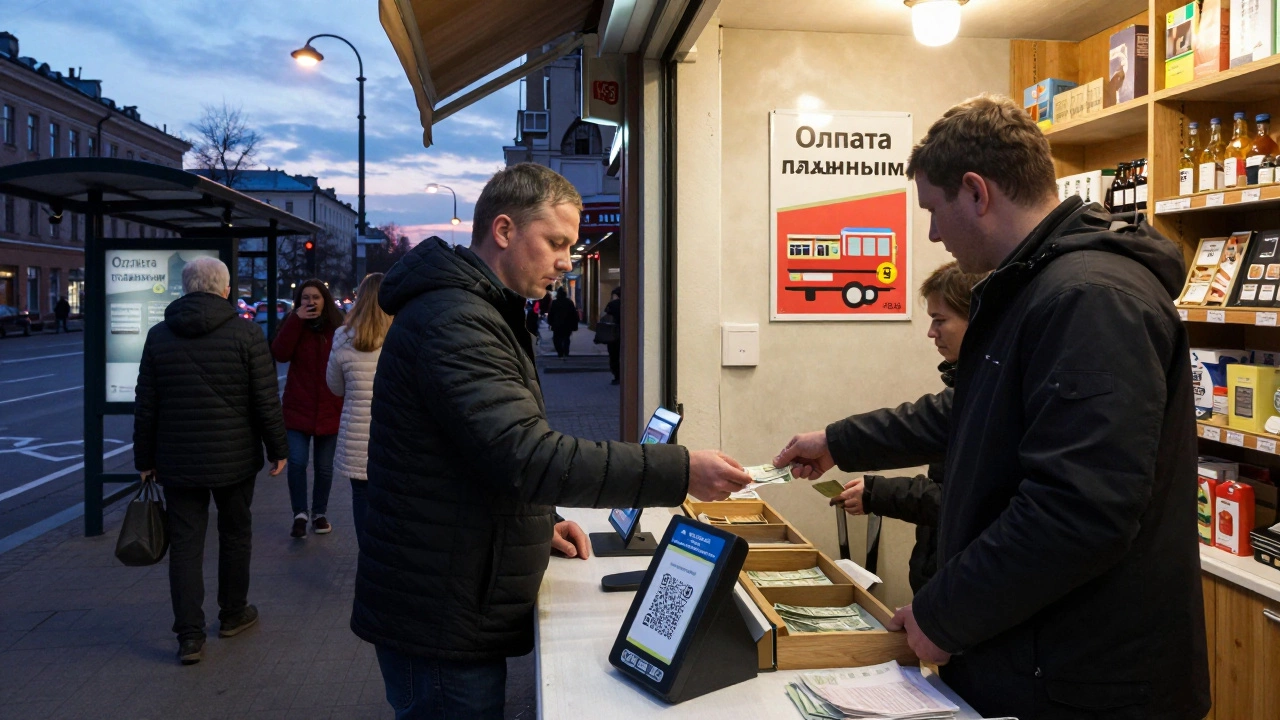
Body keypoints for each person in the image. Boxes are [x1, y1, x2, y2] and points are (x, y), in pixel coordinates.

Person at [774, 95, 1208, 719]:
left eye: (933, 210)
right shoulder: (1035, 286)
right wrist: (839, 440)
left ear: (976, 192)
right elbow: (965, 413)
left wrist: (944, 614)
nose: (932, 234)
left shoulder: (1088, 299)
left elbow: (1079, 508)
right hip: (1036, 659)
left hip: (1087, 682)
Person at [354, 163, 752, 719]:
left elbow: (480, 454)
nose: (568, 261)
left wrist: (536, 523)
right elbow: (527, 454)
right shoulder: (456, 320)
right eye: (557, 242)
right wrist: (679, 471)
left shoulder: (476, 309)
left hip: (447, 592)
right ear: (503, 231)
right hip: (440, 614)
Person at [133, 256, 288, 665]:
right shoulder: (247, 333)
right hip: (235, 458)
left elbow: (146, 403)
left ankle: (189, 636)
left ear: (185, 288)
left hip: (177, 460)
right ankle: (234, 613)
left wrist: (144, 457)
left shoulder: (159, 336)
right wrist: (278, 448)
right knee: (236, 533)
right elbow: (265, 401)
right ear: (225, 289)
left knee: (185, 545)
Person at [829, 261, 984, 593]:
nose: (931, 332)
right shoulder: (969, 386)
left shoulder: (985, 397)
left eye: (940, 320)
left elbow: (956, 501)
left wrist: (877, 492)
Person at [272, 279, 345, 538]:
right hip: (298, 408)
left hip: (329, 408)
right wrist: (296, 320)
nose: (310, 302)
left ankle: (319, 513)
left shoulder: (337, 328)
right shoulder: (294, 324)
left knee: (324, 468)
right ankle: (300, 514)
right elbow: (280, 353)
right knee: (297, 463)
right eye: (305, 297)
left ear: (324, 300)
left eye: (315, 297)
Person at [326, 272, 391, 551]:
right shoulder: (400, 331)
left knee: (361, 497)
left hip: (356, 435)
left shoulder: (343, 336)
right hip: (392, 433)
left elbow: (335, 387)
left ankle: (367, 556)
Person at [547, 286, 578, 357]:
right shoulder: (569, 302)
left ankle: (560, 352)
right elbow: (574, 314)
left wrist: (550, 322)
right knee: (566, 338)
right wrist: (575, 324)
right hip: (567, 324)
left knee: (557, 339)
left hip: (557, 324)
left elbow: (551, 313)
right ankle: (565, 352)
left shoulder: (555, 302)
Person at [604, 287, 621, 385]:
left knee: (614, 355)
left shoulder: (612, 304)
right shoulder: (629, 304)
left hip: (613, 333)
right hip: (625, 333)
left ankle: (617, 376)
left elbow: (605, 315)